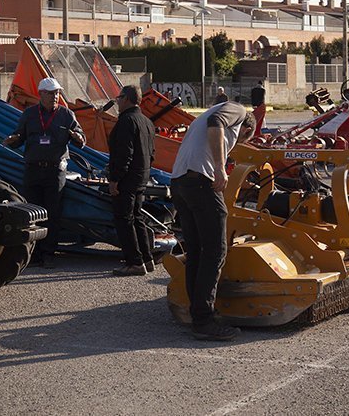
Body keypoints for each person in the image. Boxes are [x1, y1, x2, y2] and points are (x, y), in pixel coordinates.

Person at [170, 101, 255, 341]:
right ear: (247, 130)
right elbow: (216, 124)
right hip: (200, 181)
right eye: (241, 140)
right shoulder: (237, 110)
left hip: (179, 183)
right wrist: (220, 167)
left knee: (196, 251)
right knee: (216, 250)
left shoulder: (204, 115)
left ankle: (196, 313)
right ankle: (204, 321)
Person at [3, 77, 86, 268]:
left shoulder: (66, 115)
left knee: (52, 213)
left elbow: (82, 140)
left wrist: (76, 137)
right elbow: (19, 137)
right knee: (32, 212)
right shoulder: (29, 114)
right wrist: (12, 140)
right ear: (41, 94)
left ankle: (48, 253)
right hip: (33, 169)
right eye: (50, 93)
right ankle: (34, 253)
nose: (55, 96)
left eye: (57, 93)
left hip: (55, 170)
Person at [107, 85, 157, 276]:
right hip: (142, 176)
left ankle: (134, 262)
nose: (117, 101)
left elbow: (123, 154)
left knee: (124, 219)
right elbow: (152, 153)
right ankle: (147, 258)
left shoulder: (126, 121)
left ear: (126, 98)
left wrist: (115, 179)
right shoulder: (146, 122)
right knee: (137, 217)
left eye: (119, 98)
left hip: (127, 179)